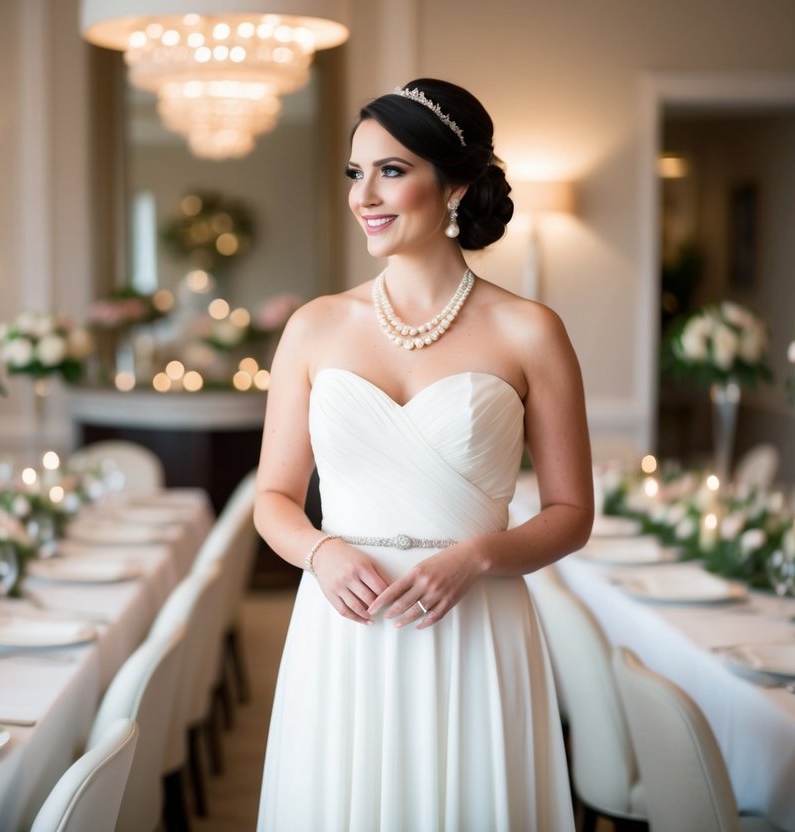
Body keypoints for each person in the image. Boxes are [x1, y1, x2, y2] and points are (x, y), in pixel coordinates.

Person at [255, 78, 591, 831]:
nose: (363, 195)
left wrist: (474, 559)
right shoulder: (313, 327)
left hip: (476, 624)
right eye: (355, 173)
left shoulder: (530, 330)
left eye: (391, 170)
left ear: (457, 185)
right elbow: (272, 499)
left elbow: (571, 515)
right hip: (343, 629)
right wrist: (320, 553)